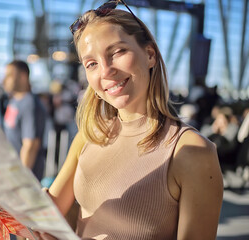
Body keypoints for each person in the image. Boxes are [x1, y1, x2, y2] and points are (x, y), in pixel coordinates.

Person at [38, 1, 223, 239]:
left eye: (116, 52)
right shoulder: (91, 134)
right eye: (92, 64)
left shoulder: (190, 152)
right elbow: (46, 218)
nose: (105, 71)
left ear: (149, 55)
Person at [2, 60, 47, 181]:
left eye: (9, 75)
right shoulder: (14, 101)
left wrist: (21, 179)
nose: (4, 80)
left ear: (23, 77)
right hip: (11, 171)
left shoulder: (30, 104)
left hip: (24, 177)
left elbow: (30, 145)